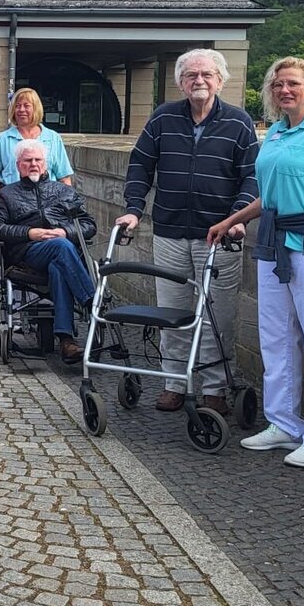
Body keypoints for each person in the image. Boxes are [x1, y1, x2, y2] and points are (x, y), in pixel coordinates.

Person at [208, 56, 304, 469]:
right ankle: (284, 422)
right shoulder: (275, 132)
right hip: (274, 243)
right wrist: (233, 220)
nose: (284, 90)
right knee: (275, 336)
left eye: (293, 83)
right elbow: (269, 196)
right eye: (278, 85)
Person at [114, 49, 258, 417]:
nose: (199, 81)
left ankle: (214, 388)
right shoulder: (163, 118)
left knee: (218, 314)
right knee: (172, 311)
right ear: (180, 82)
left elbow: (252, 177)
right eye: (191, 75)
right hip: (170, 230)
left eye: (207, 75)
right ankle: (174, 383)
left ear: (220, 81)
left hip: (221, 234)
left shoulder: (239, 123)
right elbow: (140, 165)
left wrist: (236, 218)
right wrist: (133, 210)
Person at [0, 139, 97, 363]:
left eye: (38, 160)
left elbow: (89, 225)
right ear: (19, 165)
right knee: (61, 248)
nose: (34, 164)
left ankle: (65, 340)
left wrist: (65, 232)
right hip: (28, 254)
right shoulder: (8, 194)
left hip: (62, 255)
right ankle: (92, 301)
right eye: (28, 160)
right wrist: (29, 233)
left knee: (59, 261)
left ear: (46, 164)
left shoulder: (64, 192)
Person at [0, 87, 73, 202]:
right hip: (13, 203)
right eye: (17, 106)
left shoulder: (53, 138)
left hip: (48, 203)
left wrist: (68, 202)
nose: (21, 110)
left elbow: (64, 176)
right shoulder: (2, 139)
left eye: (26, 105)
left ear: (36, 109)